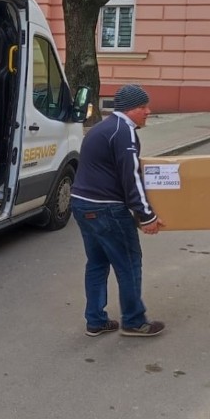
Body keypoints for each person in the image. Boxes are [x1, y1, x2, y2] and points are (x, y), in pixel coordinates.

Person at [70, 84, 166, 338]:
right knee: (129, 263)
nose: (148, 111)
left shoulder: (103, 127)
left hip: (82, 204)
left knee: (98, 262)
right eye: (142, 107)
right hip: (106, 209)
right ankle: (134, 321)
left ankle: (96, 320)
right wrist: (147, 216)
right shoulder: (124, 132)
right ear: (129, 109)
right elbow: (131, 177)